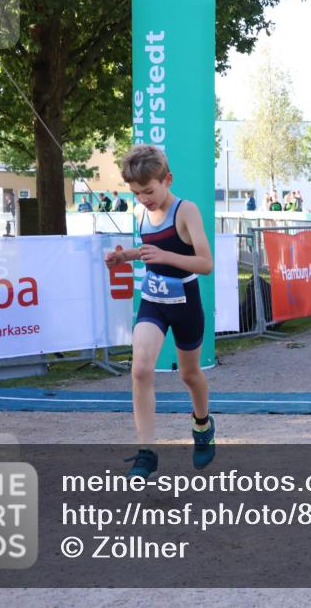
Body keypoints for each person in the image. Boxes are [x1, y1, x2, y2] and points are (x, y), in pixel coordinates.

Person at [104, 144, 216, 478]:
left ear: (167, 179)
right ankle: (146, 452)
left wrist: (165, 258)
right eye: (137, 193)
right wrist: (125, 257)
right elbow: (150, 249)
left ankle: (202, 425)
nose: (144, 199)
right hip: (153, 302)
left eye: (149, 191)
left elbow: (206, 263)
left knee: (188, 375)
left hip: (186, 302)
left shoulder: (186, 210)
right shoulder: (141, 213)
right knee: (140, 370)